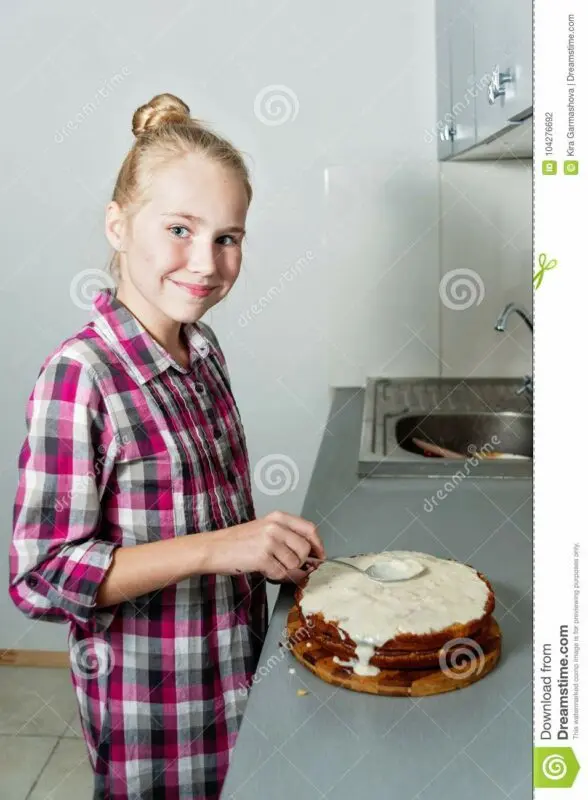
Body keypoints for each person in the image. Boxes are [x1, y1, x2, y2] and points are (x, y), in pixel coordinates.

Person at [8, 92, 325, 800]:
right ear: (117, 226)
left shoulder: (203, 352)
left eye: (227, 237)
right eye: (179, 228)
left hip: (236, 680)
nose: (206, 263)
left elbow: (210, 521)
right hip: (156, 717)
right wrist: (222, 548)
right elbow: (40, 576)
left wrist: (266, 554)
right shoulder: (80, 377)